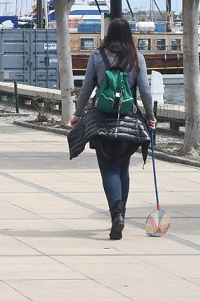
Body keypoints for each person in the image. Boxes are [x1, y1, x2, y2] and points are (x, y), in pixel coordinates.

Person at [69, 18, 156, 241]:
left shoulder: (97, 56)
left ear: (109, 34)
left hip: (102, 120)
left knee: (108, 169)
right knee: (123, 168)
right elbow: (145, 90)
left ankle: (116, 215)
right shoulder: (137, 58)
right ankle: (122, 215)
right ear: (129, 35)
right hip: (129, 120)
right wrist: (151, 117)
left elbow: (87, 87)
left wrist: (78, 115)